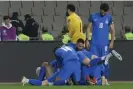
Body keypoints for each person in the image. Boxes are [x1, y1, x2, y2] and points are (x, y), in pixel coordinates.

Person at [85, 3, 115, 85]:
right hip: (94, 44)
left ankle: (105, 79)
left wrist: (112, 41)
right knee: (93, 61)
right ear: (100, 9)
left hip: (105, 44)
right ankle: (92, 79)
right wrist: (87, 40)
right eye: (102, 11)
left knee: (105, 61)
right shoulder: (93, 16)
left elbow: (112, 30)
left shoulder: (109, 17)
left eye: (105, 12)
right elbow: (88, 28)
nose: (103, 13)